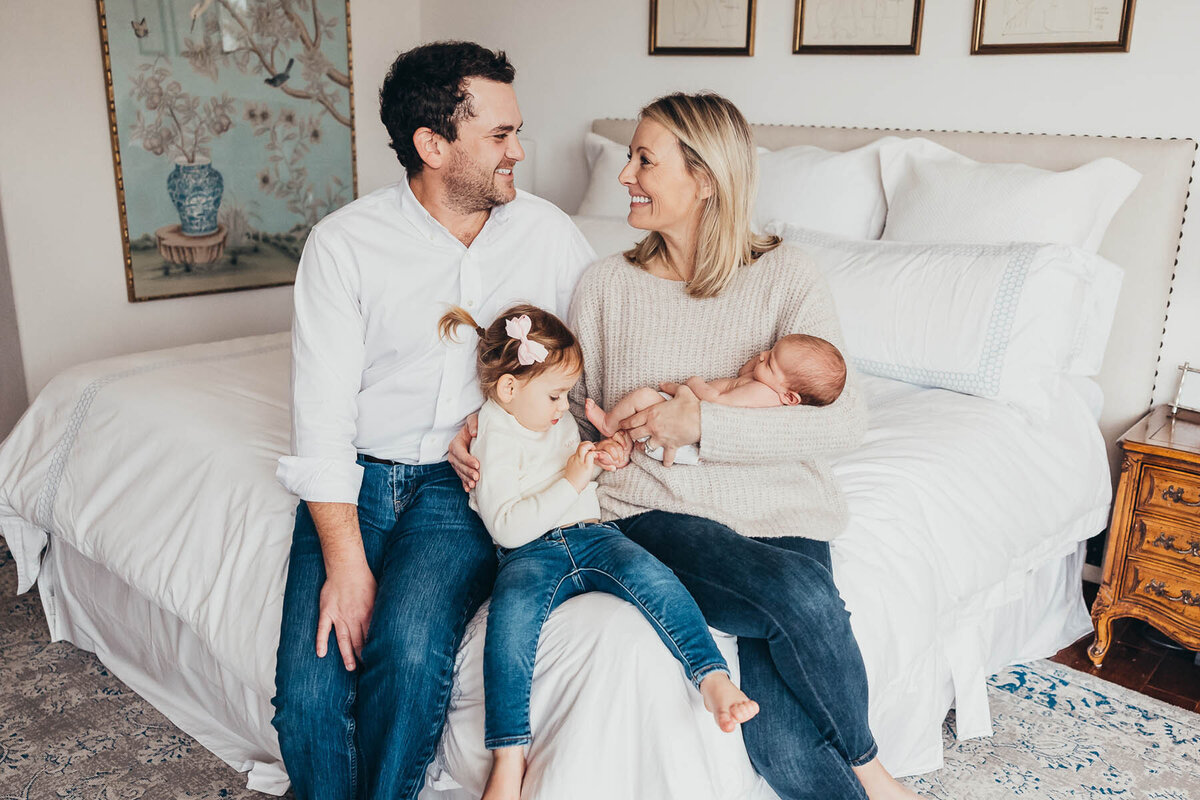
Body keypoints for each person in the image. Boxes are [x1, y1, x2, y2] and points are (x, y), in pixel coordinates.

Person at [452, 92, 919, 800]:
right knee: (799, 594)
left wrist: (702, 424)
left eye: (645, 158)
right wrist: (499, 425)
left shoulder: (789, 277)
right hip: (657, 513)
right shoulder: (607, 286)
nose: (625, 175)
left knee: (787, 742)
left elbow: (844, 422)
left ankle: (864, 773)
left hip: (783, 512)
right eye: (629, 156)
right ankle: (877, 777)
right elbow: (578, 414)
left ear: (705, 177)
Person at [270, 41, 595, 800]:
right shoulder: (345, 244)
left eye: (517, 131)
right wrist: (346, 565)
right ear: (432, 145)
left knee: (409, 656)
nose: (521, 150)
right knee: (309, 699)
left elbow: (596, 352)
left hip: (462, 487)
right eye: (501, 136)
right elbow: (318, 418)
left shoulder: (547, 232)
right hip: (358, 477)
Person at [439, 303, 759, 800]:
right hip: (530, 554)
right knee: (510, 624)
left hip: (591, 534)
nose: (562, 405)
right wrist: (572, 477)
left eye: (565, 394)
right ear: (507, 389)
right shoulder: (491, 435)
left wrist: (603, 457)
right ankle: (508, 754)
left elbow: (579, 464)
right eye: (555, 394)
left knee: (654, 580)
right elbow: (507, 526)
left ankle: (711, 675)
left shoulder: (553, 418)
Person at [584, 333, 846, 464]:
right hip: (680, 418)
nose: (763, 355)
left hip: (687, 432)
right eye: (770, 351)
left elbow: (718, 403)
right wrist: (756, 367)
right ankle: (619, 447)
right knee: (642, 413)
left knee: (642, 397)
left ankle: (609, 425)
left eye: (771, 362)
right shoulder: (765, 385)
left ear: (789, 397)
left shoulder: (762, 393)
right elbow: (741, 379)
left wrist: (693, 383)